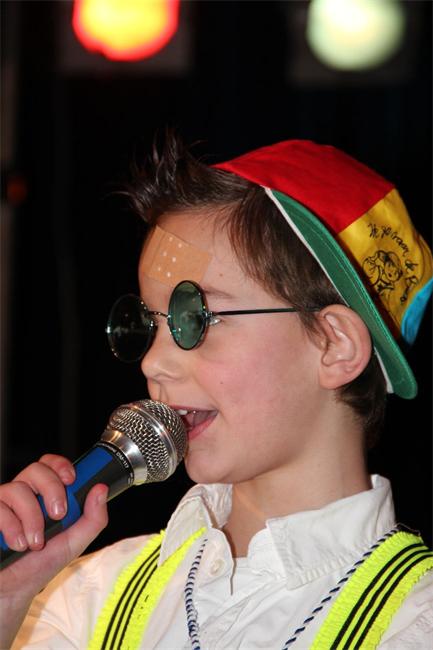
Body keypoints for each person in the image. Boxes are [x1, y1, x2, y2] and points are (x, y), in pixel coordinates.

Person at [1, 135, 432, 649]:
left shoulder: (414, 622)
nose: (153, 361)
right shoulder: (86, 597)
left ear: (334, 346)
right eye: (148, 324)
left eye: (195, 318)